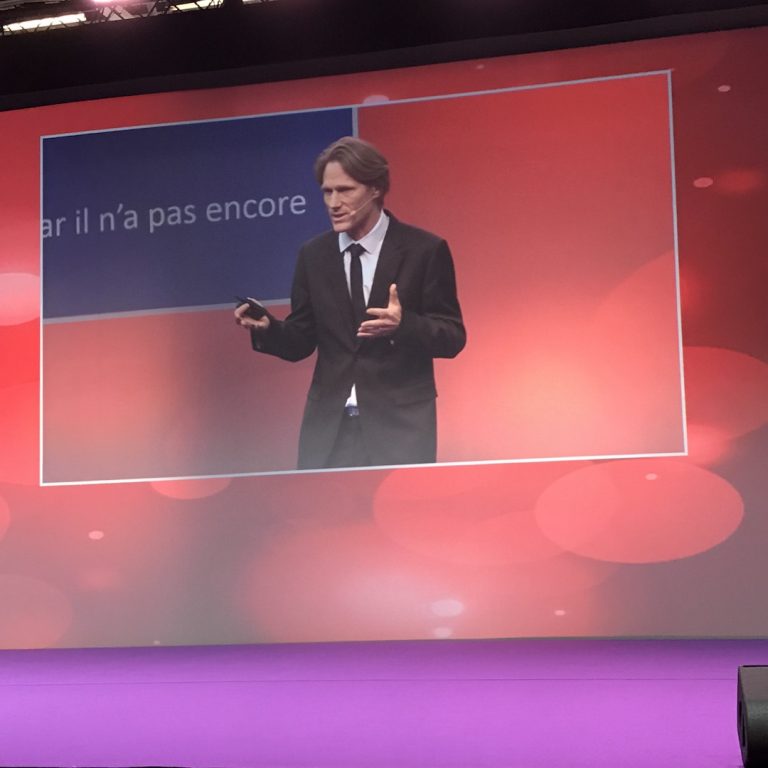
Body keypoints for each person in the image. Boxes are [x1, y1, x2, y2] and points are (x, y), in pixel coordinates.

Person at [235, 136, 465, 469]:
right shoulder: (314, 255)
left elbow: (452, 336)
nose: (334, 203)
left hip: (399, 431)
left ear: (375, 189)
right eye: (327, 192)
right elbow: (301, 340)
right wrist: (268, 328)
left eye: (345, 190)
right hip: (329, 431)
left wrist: (403, 326)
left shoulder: (424, 250)